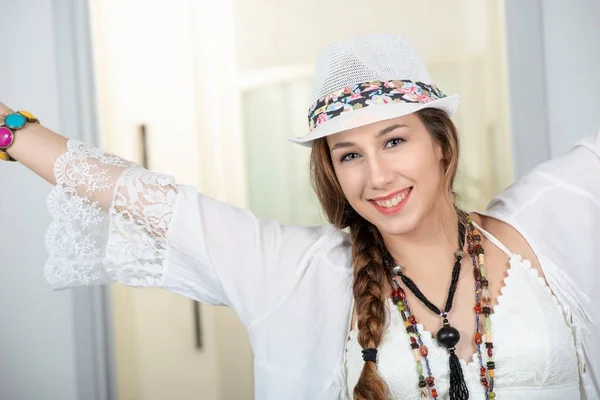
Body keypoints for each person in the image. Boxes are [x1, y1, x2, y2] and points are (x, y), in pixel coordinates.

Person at [0, 33, 598, 400]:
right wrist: (9, 129)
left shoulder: (540, 225)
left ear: (441, 142)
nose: (378, 177)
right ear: (332, 172)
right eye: (349, 155)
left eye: (394, 141)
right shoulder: (300, 273)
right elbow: (147, 199)